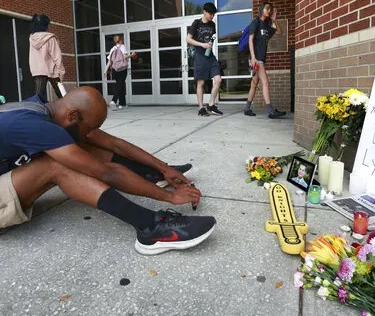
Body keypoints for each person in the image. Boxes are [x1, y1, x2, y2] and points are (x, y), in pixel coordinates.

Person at [0, 87, 216, 255]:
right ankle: (151, 228)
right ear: (73, 115)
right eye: (90, 127)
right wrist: (169, 196)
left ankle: (150, 175)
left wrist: (163, 168)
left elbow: (113, 144)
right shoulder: (34, 125)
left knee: (78, 148)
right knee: (59, 165)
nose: (92, 133)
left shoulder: (44, 110)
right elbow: (105, 173)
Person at [244, 3, 286, 119]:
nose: (269, 10)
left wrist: (274, 20)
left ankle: (247, 108)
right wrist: (253, 58)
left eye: (270, 9)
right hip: (256, 58)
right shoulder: (256, 22)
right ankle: (271, 111)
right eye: (267, 8)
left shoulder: (266, 26)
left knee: (254, 84)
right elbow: (250, 40)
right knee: (266, 83)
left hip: (261, 58)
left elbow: (279, 32)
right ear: (261, 10)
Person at [186, 3, 223, 117]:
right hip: (200, 56)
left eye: (213, 14)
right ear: (204, 11)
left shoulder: (212, 25)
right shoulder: (196, 23)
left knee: (218, 79)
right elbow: (188, 39)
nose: (212, 16)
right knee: (201, 82)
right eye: (210, 13)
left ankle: (211, 105)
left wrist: (210, 43)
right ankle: (201, 108)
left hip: (210, 56)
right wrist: (202, 44)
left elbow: (211, 38)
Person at [29, 14, 65, 101]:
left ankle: (37, 113)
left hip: (38, 70)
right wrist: (61, 71)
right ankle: (71, 112)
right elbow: (57, 57)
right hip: (52, 69)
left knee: (38, 97)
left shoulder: (32, 38)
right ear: (45, 25)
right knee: (62, 95)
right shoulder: (50, 38)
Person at [103, 35, 135, 110]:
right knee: (120, 85)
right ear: (121, 40)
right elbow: (125, 57)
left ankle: (122, 104)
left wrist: (105, 70)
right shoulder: (122, 47)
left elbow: (109, 62)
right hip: (122, 69)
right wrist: (132, 55)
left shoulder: (112, 49)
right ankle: (113, 101)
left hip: (115, 69)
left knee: (121, 85)